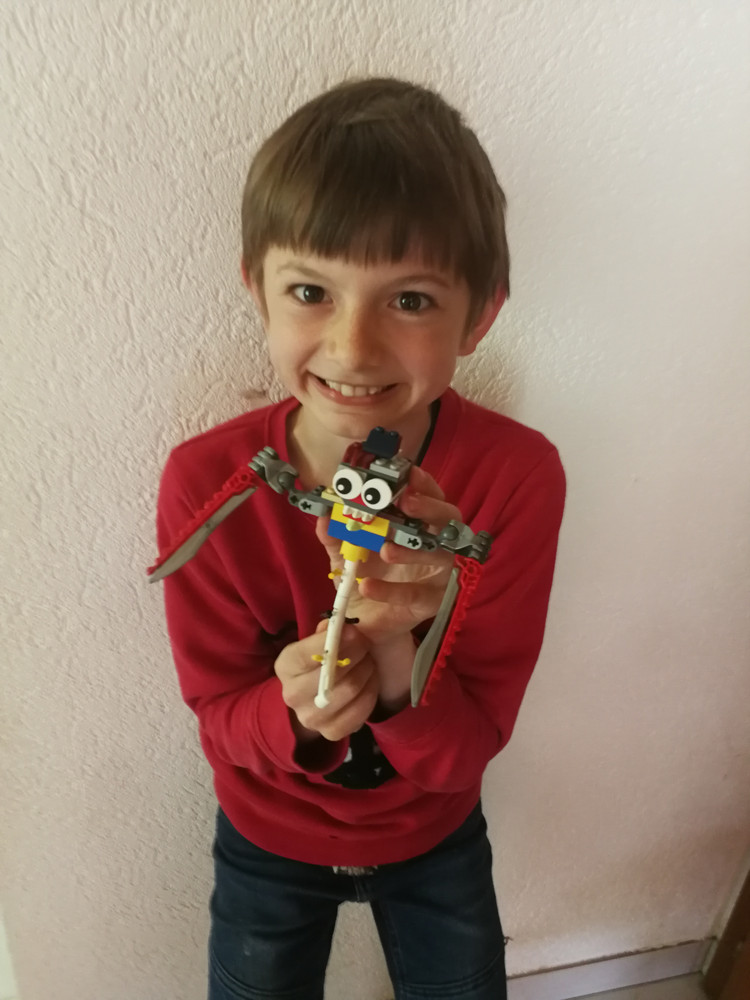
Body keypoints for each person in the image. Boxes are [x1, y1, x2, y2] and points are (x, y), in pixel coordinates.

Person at [155, 77, 566, 1000]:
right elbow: (218, 716)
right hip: (266, 835)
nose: (353, 348)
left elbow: (469, 745)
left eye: (410, 300)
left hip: (434, 835)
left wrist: (393, 663)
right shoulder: (205, 483)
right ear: (257, 291)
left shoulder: (516, 479)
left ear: (480, 314)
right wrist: (293, 712)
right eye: (311, 291)